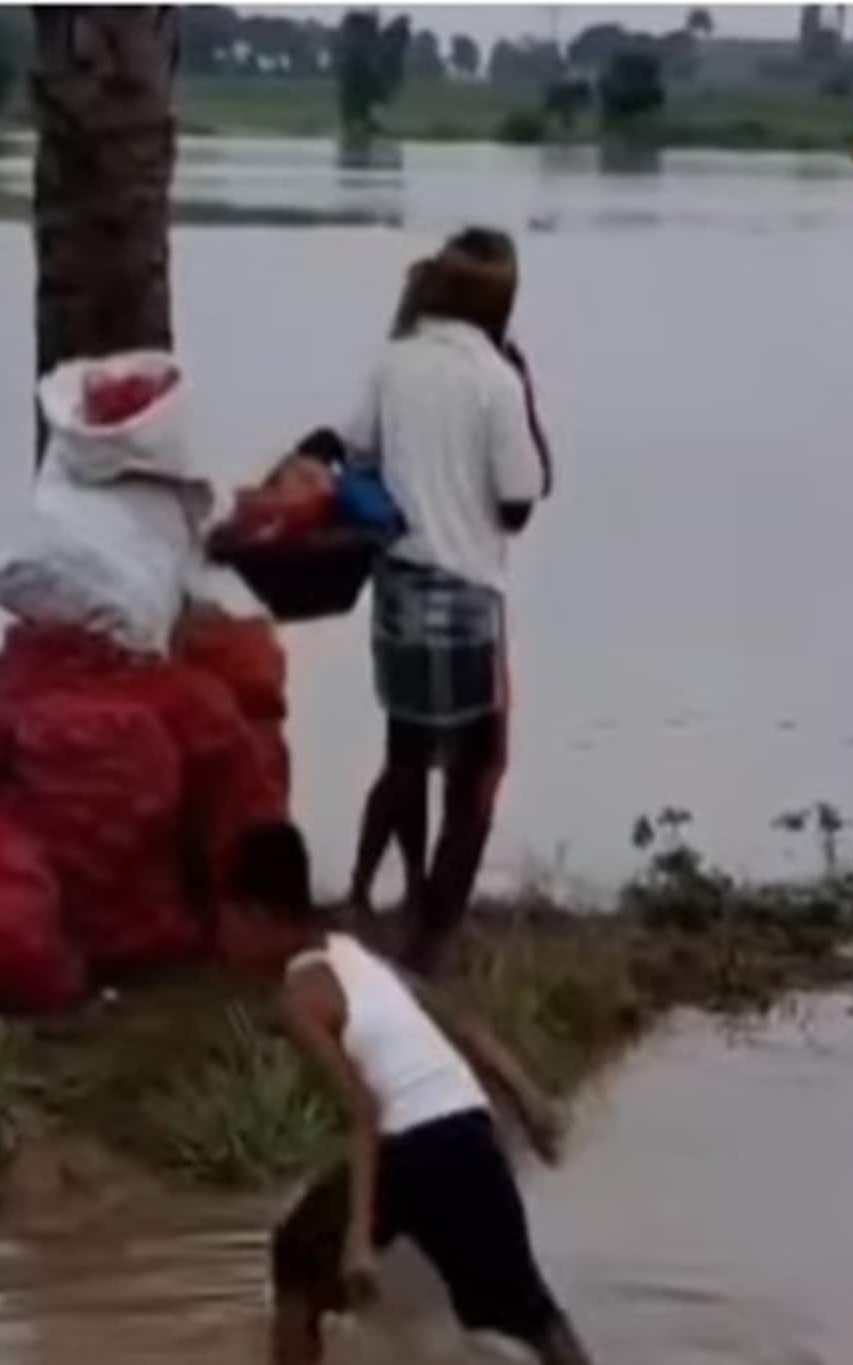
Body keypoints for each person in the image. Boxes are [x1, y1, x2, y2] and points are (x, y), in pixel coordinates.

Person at [233, 821, 594, 1365]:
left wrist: (358, 1239)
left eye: (228, 921)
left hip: (411, 1147)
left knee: (295, 1256)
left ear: (257, 917)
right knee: (525, 1309)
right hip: (471, 1131)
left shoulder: (297, 998)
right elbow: (460, 1021)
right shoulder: (356, 954)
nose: (225, 938)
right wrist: (531, 1101)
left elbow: (365, 1109)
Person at [307, 227, 552, 972]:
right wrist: (524, 399)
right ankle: (432, 938)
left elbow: (351, 450)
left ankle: (378, 899)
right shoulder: (494, 378)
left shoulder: (396, 360)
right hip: (466, 588)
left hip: (398, 580)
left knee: (406, 751)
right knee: (476, 773)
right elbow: (518, 500)